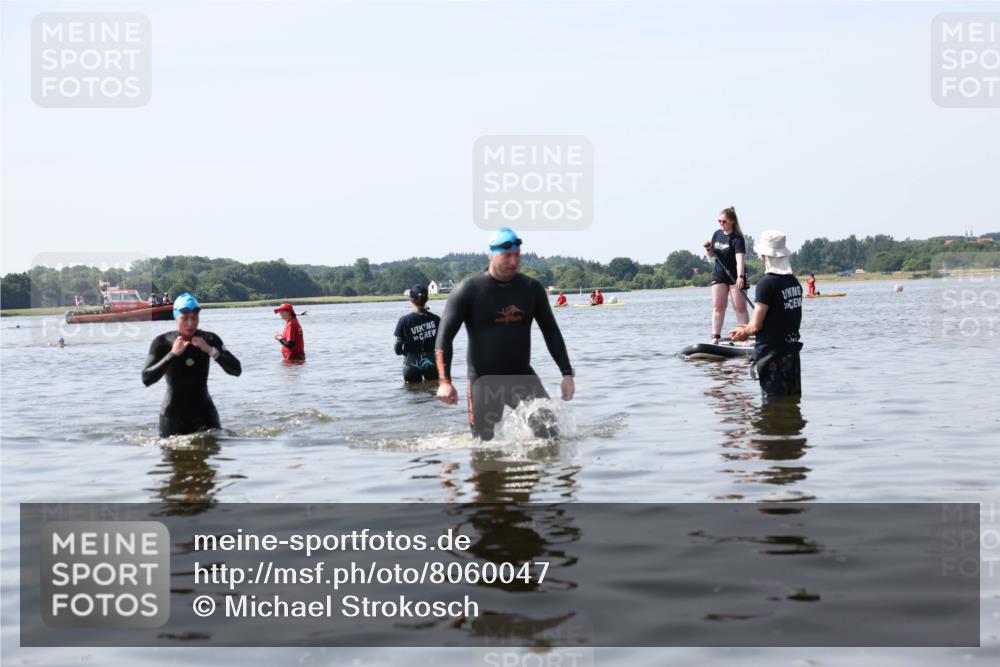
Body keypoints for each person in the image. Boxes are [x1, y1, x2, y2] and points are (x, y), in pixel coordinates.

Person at [435, 227, 575, 441]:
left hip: (522, 376)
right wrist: (444, 381)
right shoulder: (468, 290)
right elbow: (444, 336)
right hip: (483, 381)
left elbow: (551, 331)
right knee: (483, 446)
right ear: (491, 254)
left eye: (517, 256)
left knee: (552, 436)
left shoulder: (531, 288)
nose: (513, 262)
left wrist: (566, 373)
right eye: (507, 256)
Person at [142, 293, 242, 437]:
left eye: (194, 318)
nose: (190, 323)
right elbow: (146, 378)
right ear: (176, 317)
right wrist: (172, 354)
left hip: (205, 415)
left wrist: (211, 351)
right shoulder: (162, 343)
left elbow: (237, 370)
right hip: (172, 417)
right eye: (185, 318)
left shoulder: (209, 339)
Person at [731, 230, 803, 398]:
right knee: (791, 404)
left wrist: (744, 333)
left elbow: (756, 325)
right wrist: (748, 327)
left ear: (765, 256)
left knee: (773, 407)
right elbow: (781, 318)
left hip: (772, 359)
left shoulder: (766, 284)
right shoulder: (794, 283)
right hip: (791, 356)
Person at [704, 206, 750, 342]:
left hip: (735, 275)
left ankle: (745, 337)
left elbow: (740, 259)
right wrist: (708, 248)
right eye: (719, 221)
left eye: (723, 221)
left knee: (740, 308)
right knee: (718, 307)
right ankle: (715, 337)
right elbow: (712, 255)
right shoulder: (717, 234)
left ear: (732, 222)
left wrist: (740, 277)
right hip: (719, 274)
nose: (721, 224)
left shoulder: (737, 238)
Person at [394, 285, 440, 383]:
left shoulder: (404, 321)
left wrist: (403, 352)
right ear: (427, 299)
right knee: (433, 392)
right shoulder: (437, 319)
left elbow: (397, 348)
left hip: (411, 363)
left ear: (411, 300)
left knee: (413, 394)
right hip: (431, 362)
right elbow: (443, 344)